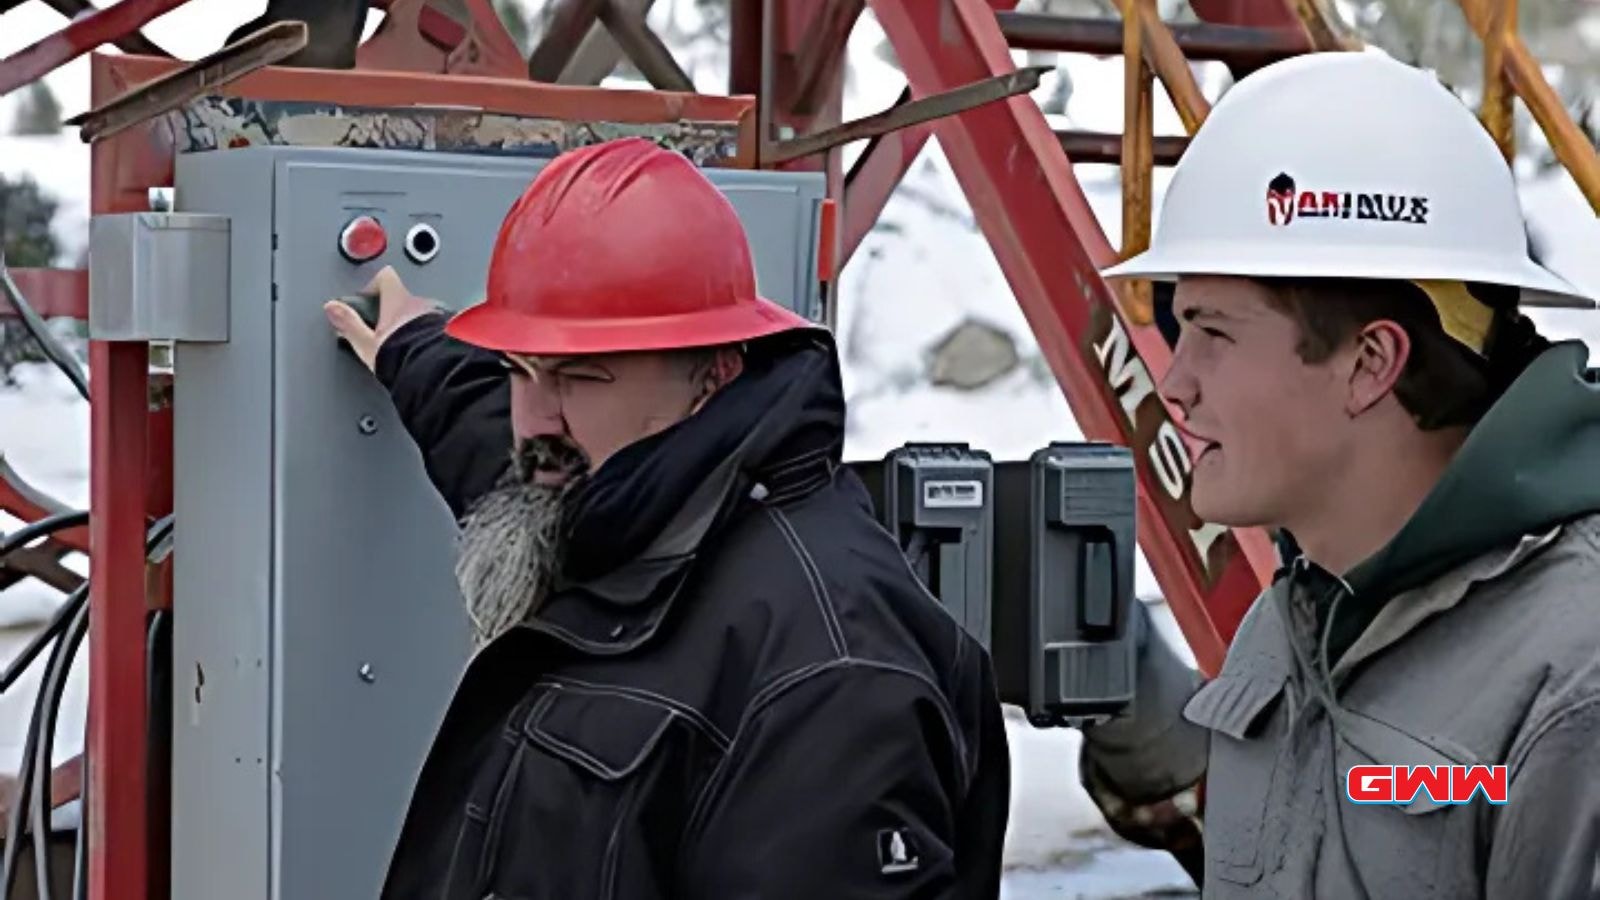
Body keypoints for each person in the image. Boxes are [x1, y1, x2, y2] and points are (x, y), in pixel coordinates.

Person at [323, 138, 1011, 900]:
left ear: (714, 374)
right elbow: (505, 445)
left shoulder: (831, 675)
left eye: (579, 376)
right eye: (519, 368)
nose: (532, 421)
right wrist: (417, 349)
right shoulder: (619, 489)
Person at [1083, 52, 1600, 897]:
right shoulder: (1292, 620)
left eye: (1212, 331)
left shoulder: (1576, 678)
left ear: (1369, 362)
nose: (1174, 383)